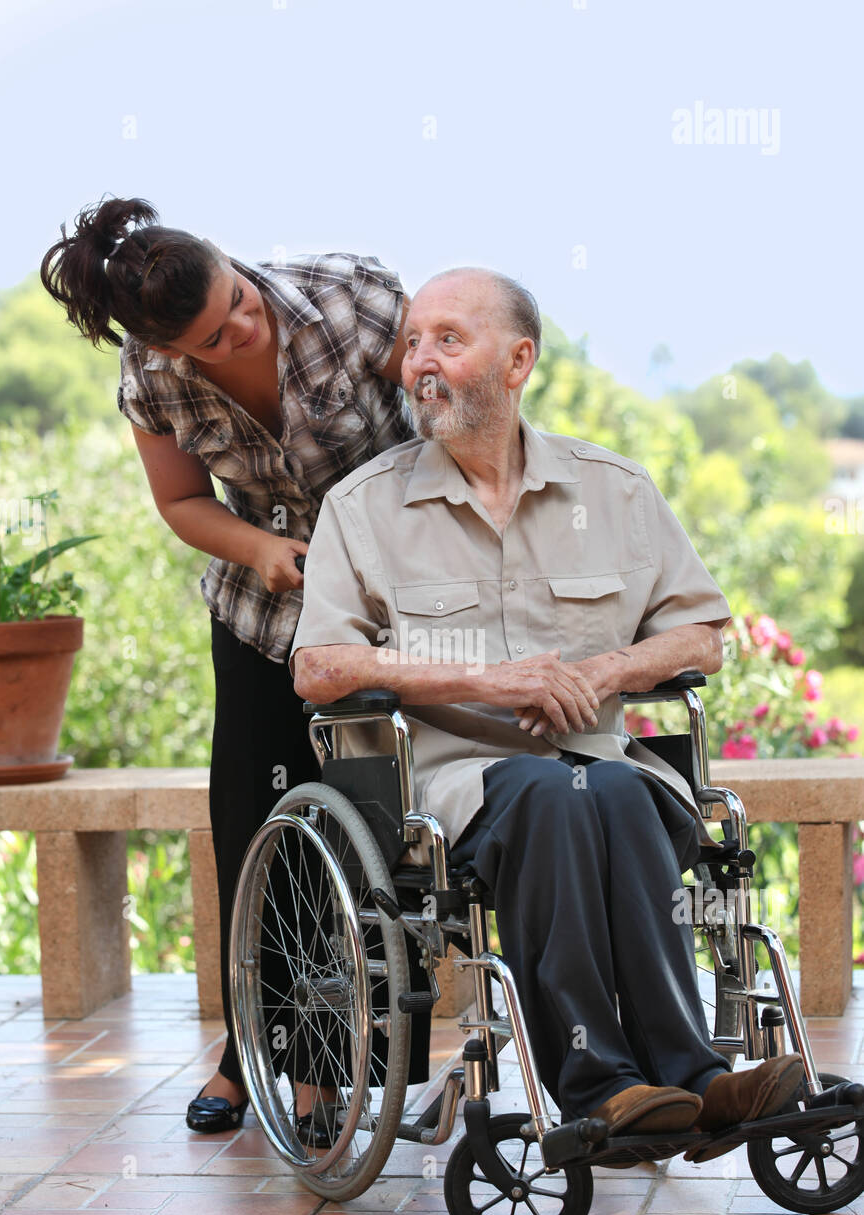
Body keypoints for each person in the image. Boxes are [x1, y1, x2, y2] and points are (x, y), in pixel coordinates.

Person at [288, 266, 804, 1161]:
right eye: (413, 342)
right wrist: (495, 684)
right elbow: (320, 665)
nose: (420, 361)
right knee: (551, 793)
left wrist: (607, 670)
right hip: (451, 781)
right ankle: (599, 1085)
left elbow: (701, 638)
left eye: (449, 339)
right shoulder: (364, 507)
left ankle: (695, 1078)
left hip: (595, 764)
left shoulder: (614, 491)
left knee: (614, 790)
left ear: (519, 359)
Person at [40, 195, 417, 1136]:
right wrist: (256, 549)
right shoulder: (153, 379)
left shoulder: (353, 299)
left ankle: (349, 1056)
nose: (246, 325)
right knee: (263, 833)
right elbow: (179, 500)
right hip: (266, 613)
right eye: (217, 335)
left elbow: (445, 417)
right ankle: (252, 1054)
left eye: (241, 298)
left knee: (377, 833)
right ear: (172, 350)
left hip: (394, 610)